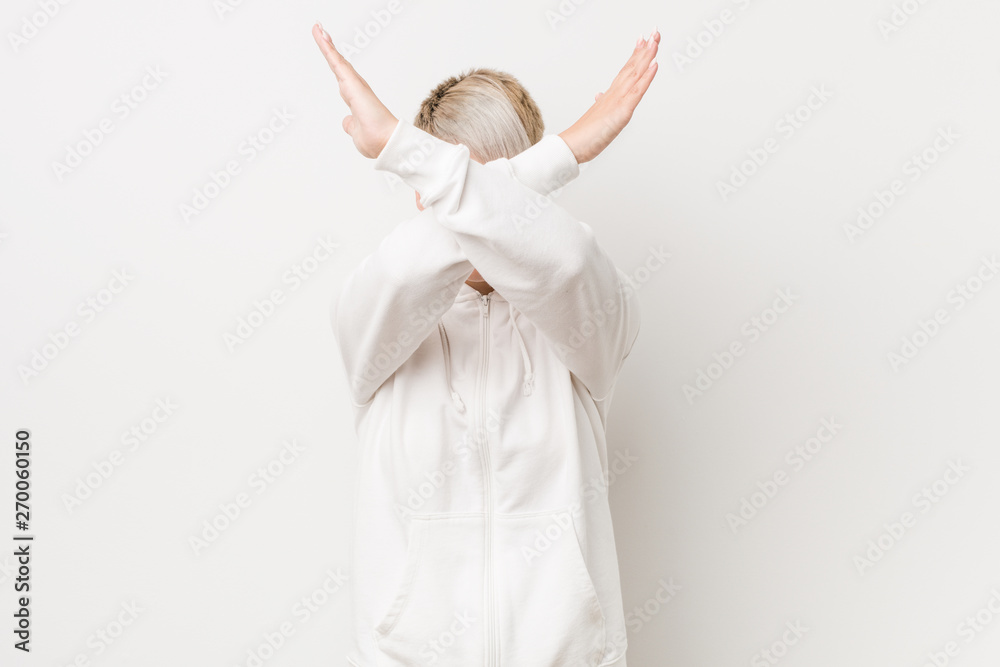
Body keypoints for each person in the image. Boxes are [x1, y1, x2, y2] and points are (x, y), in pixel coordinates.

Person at [313, 21, 659, 667]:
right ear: (422, 193)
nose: (481, 219)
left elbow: (567, 259)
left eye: (499, 193)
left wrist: (405, 149)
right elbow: (408, 270)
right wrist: (559, 156)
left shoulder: (586, 321)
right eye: (455, 186)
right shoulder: (376, 319)